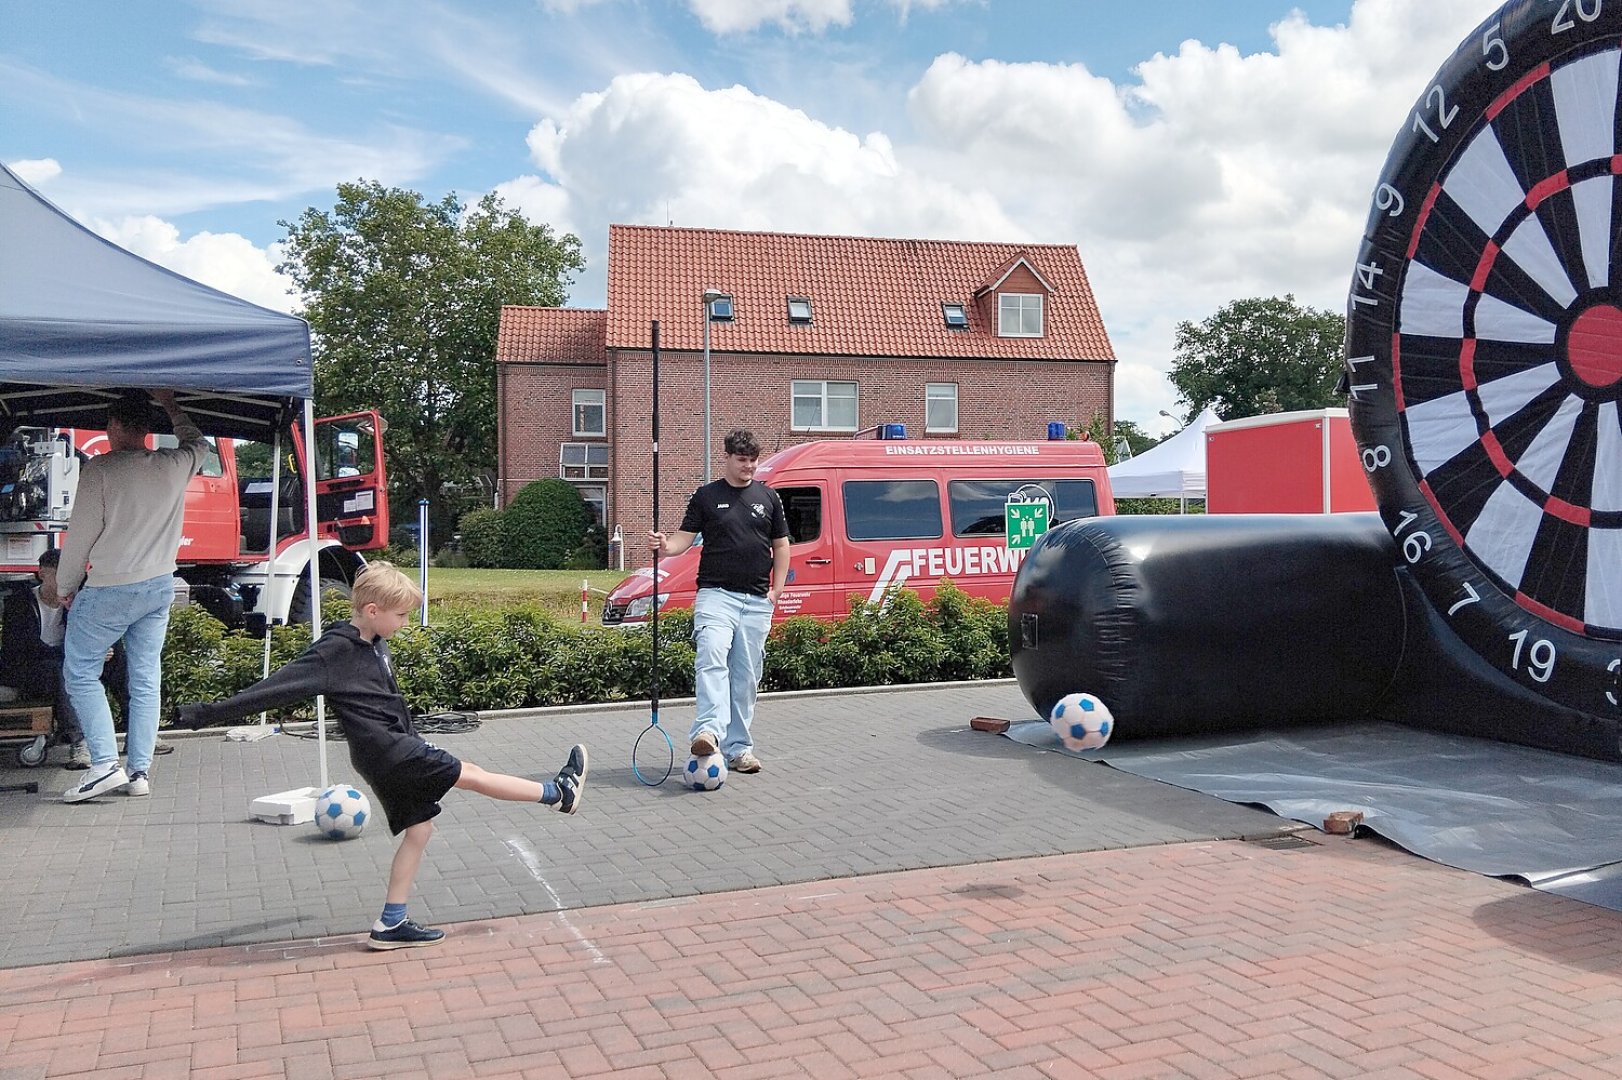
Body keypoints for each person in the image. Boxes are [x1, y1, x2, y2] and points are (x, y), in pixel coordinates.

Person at [175, 561, 588, 951]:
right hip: (390, 753)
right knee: (471, 773)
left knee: (420, 831)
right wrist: (202, 715)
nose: (405, 624)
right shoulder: (333, 652)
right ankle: (558, 793)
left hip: (388, 750)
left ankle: (391, 923)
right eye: (402, 616)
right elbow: (273, 689)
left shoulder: (375, 642)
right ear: (372, 610)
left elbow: (390, 702)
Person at [59, 390, 204, 802]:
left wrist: (67, 585)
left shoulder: (100, 469)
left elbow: (81, 535)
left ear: (113, 426)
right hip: (159, 584)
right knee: (144, 678)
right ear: (148, 428)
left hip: (110, 586)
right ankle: (138, 772)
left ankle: (104, 765)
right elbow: (198, 443)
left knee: (81, 672)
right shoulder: (173, 465)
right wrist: (173, 405)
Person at [649, 428, 789, 775]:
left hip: (757, 600)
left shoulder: (768, 498)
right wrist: (665, 546)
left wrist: (777, 590)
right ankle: (707, 732)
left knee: (746, 677)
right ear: (726, 458)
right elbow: (684, 538)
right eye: (742, 460)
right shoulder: (706, 497)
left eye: (754, 461)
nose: (749, 467)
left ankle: (739, 749)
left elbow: (781, 545)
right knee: (711, 654)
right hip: (715, 595)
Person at [0, 550, 138, 770]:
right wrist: (79, 655)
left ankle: (137, 730)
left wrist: (100, 650)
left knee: (115, 655)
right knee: (62, 669)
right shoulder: (20, 604)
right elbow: (21, 650)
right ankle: (79, 742)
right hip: (31, 672)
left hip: (68, 662)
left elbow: (95, 632)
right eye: (63, 575)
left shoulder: (78, 602)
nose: (70, 582)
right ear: (43, 574)